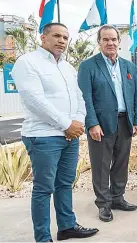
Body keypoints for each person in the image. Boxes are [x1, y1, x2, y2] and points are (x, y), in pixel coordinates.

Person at [11, 22, 98, 242]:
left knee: (65, 183)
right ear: (43, 37)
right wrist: (66, 124)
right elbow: (35, 100)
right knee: (43, 188)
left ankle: (67, 226)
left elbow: (79, 98)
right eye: (57, 36)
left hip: (69, 135)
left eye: (65, 37)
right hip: (43, 137)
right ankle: (42, 237)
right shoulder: (27, 62)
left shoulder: (67, 67)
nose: (61, 41)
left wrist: (77, 122)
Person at [78, 25, 137, 222]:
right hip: (101, 125)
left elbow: (136, 96)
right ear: (99, 42)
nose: (110, 43)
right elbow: (85, 98)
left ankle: (117, 197)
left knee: (121, 163)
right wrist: (91, 124)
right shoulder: (88, 66)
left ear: (119, 42)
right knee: (101, 166)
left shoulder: (129, 66)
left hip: (125, 123)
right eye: (106, 39)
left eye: (113, 39)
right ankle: (103, 204)